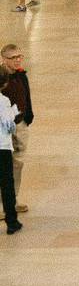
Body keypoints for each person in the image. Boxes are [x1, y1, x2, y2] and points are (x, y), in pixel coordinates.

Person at [0, 44, 31, 216]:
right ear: (3, 59)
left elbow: (26, 95)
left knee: (18, 163)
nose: (18, 60)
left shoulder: (21, 75)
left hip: (20, 124)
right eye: (13, 57)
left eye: (20, 56)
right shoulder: (1, 78)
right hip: (4, 128)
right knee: (4, 165)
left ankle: (13, 199)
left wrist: (28, 116)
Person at [0, 72, 21, 234]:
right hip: (3, 147)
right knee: (7, 184)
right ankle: (12, 221)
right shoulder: (3, 100)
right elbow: (8, 124)